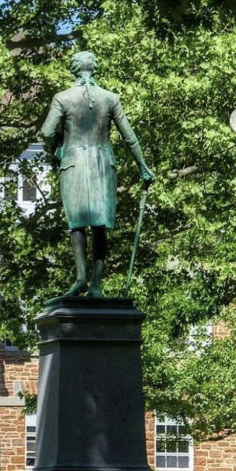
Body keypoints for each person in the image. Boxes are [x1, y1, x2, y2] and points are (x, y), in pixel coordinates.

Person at [40, 51, 154, 297]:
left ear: (74, 69)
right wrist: (143, 166)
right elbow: (129, 137)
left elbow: (46, 132)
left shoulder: (62, 98)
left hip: (74, 164)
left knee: (77, 224)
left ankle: (80, 278)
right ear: (95, 68)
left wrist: (59, 148)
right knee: (99, 225)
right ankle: (96, 284)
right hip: (103, 164)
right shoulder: (110, 98)